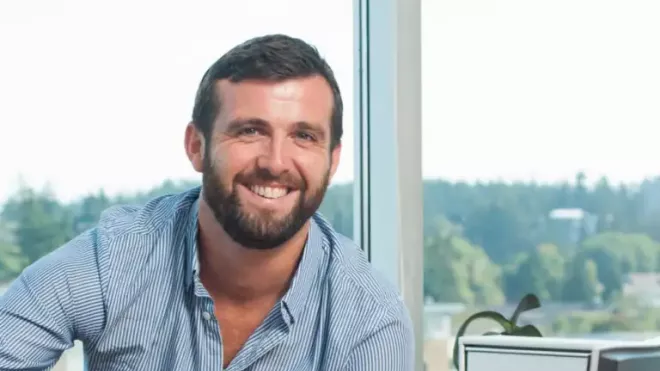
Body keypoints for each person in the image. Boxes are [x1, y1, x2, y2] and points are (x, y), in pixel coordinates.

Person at [0, 34, 414, 370]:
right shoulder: (116, 257)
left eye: (304, 136)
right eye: (250, 130)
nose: (274, 162)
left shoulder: (369, 321)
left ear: (332, 160)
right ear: (196, 146)